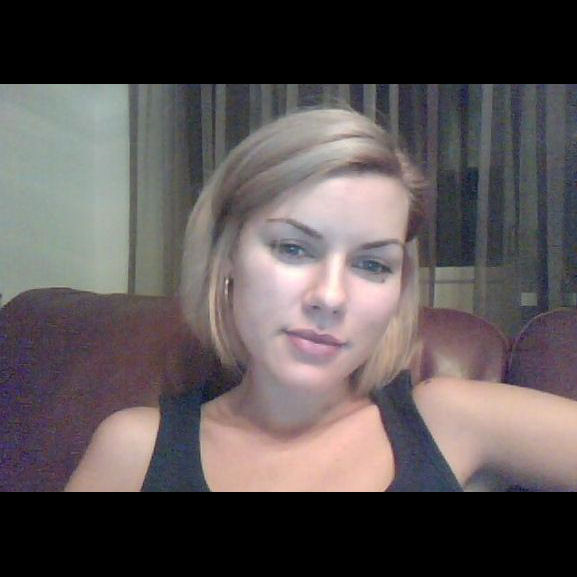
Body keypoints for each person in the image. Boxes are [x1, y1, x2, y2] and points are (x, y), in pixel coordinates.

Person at [65, 107, 577, 492]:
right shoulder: (134, 450)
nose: (330, 297)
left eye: (372, 265)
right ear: (227, 256)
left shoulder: (453, 420)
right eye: (293, 248)